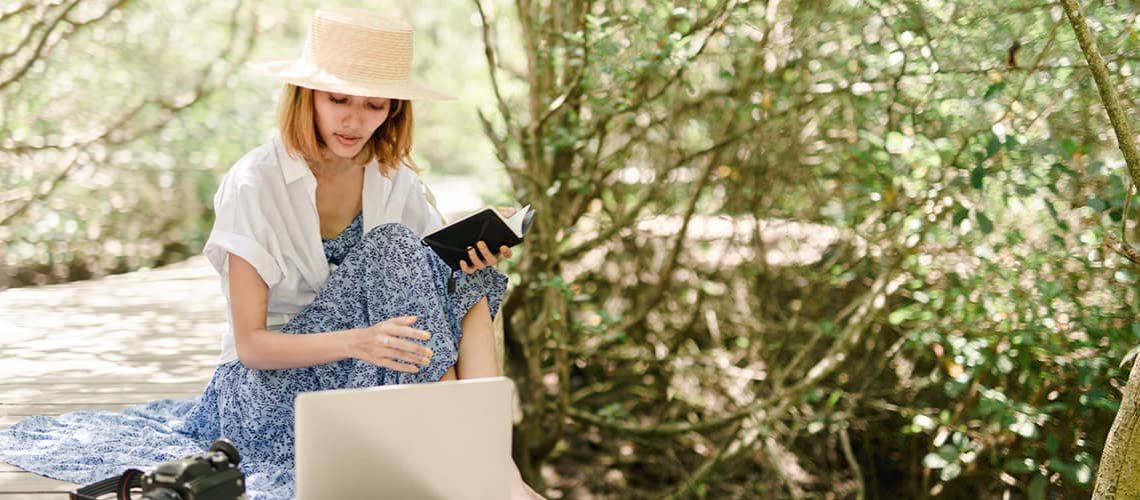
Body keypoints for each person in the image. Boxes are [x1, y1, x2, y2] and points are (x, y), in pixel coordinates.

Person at [0, 8, 543, 500]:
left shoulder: (394, 179)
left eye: (374, 104)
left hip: (374, 380)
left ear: (393, 110)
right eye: (338, 99)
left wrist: (464, 266)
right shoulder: (255, 183)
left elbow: (428, 302)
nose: (353, 121)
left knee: (457, 275)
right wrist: (360, 341)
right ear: (306, 95)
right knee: (395, 248)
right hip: (268, 394)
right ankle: (472, 466)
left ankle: (484, 455)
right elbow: (253, 346)